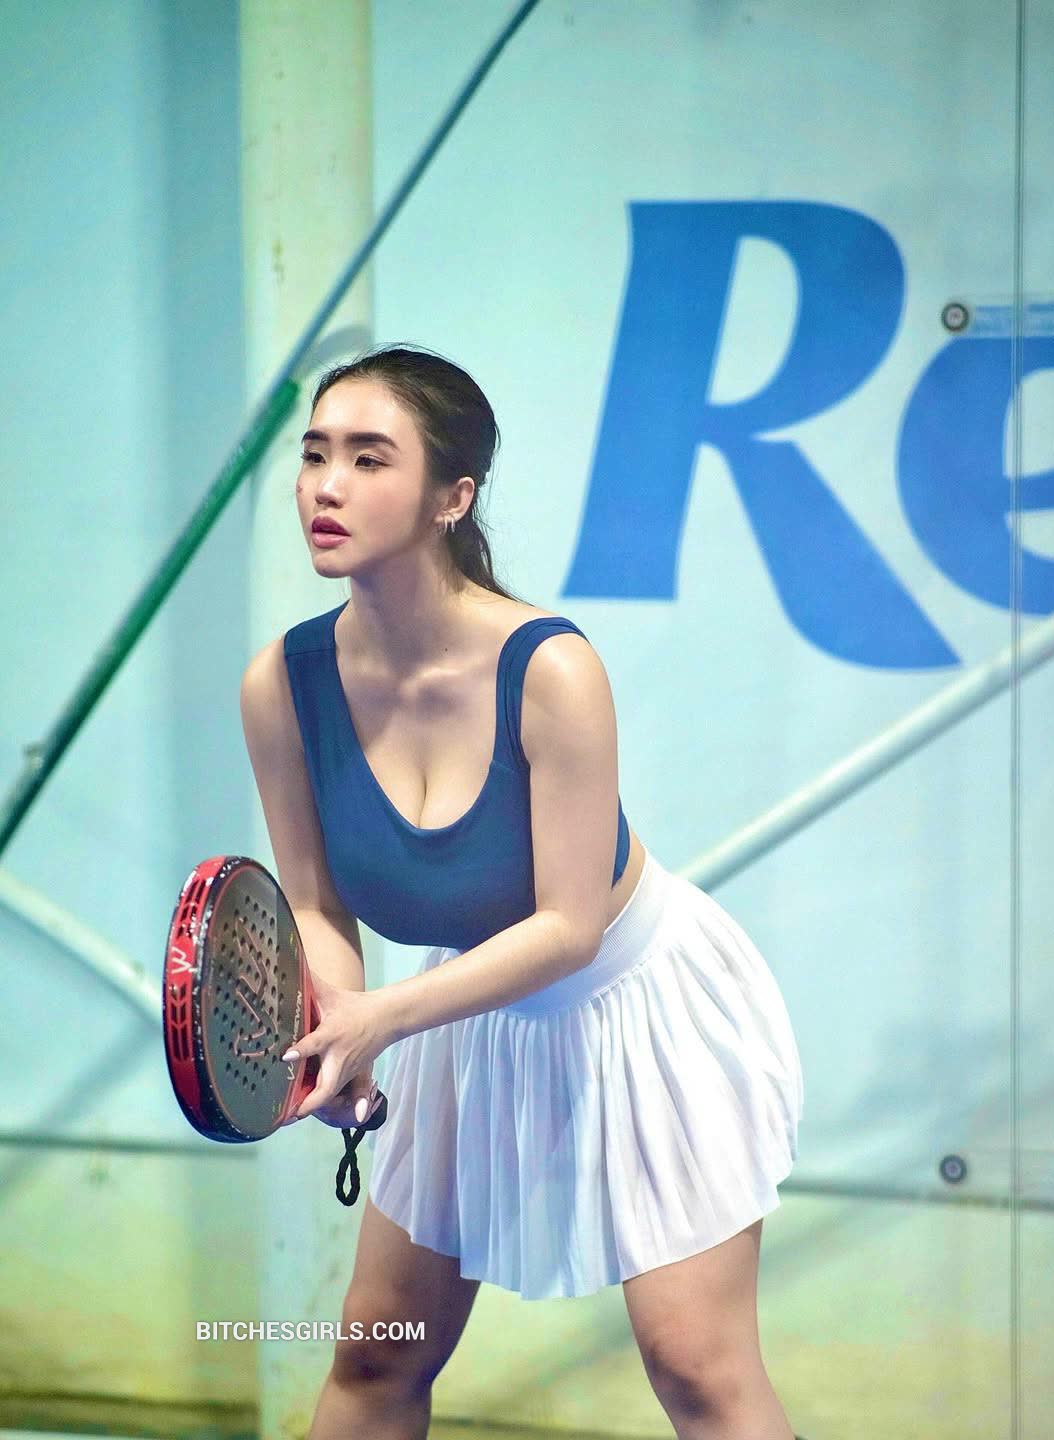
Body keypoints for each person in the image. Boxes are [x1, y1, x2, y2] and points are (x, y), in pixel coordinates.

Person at [239, 343, 804, 1440]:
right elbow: (315, 904)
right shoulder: (282, 685)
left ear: (452, 497)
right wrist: (337, 1029)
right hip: (460, 1006)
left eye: (369, 458)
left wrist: (382, 1020)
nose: (327, 486)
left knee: (698, 1366)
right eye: (314, 455)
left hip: (632, 1000)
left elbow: (568, 927)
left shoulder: (550, 667)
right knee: (375, 1355)